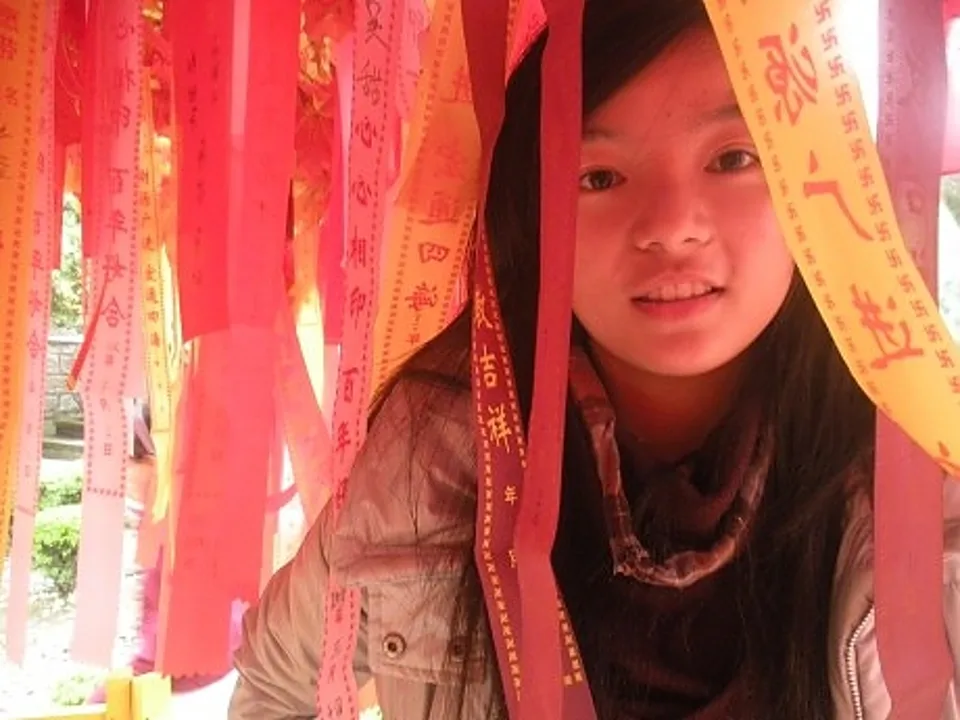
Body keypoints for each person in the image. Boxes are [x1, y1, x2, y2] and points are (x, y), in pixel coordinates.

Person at [229, 1, 960, 718]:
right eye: (599, 176)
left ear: (816, 188)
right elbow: (274, 687)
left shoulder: (918, 471)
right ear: (532, 212)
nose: (671, 226)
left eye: (733, 158)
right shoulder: (437, 450)